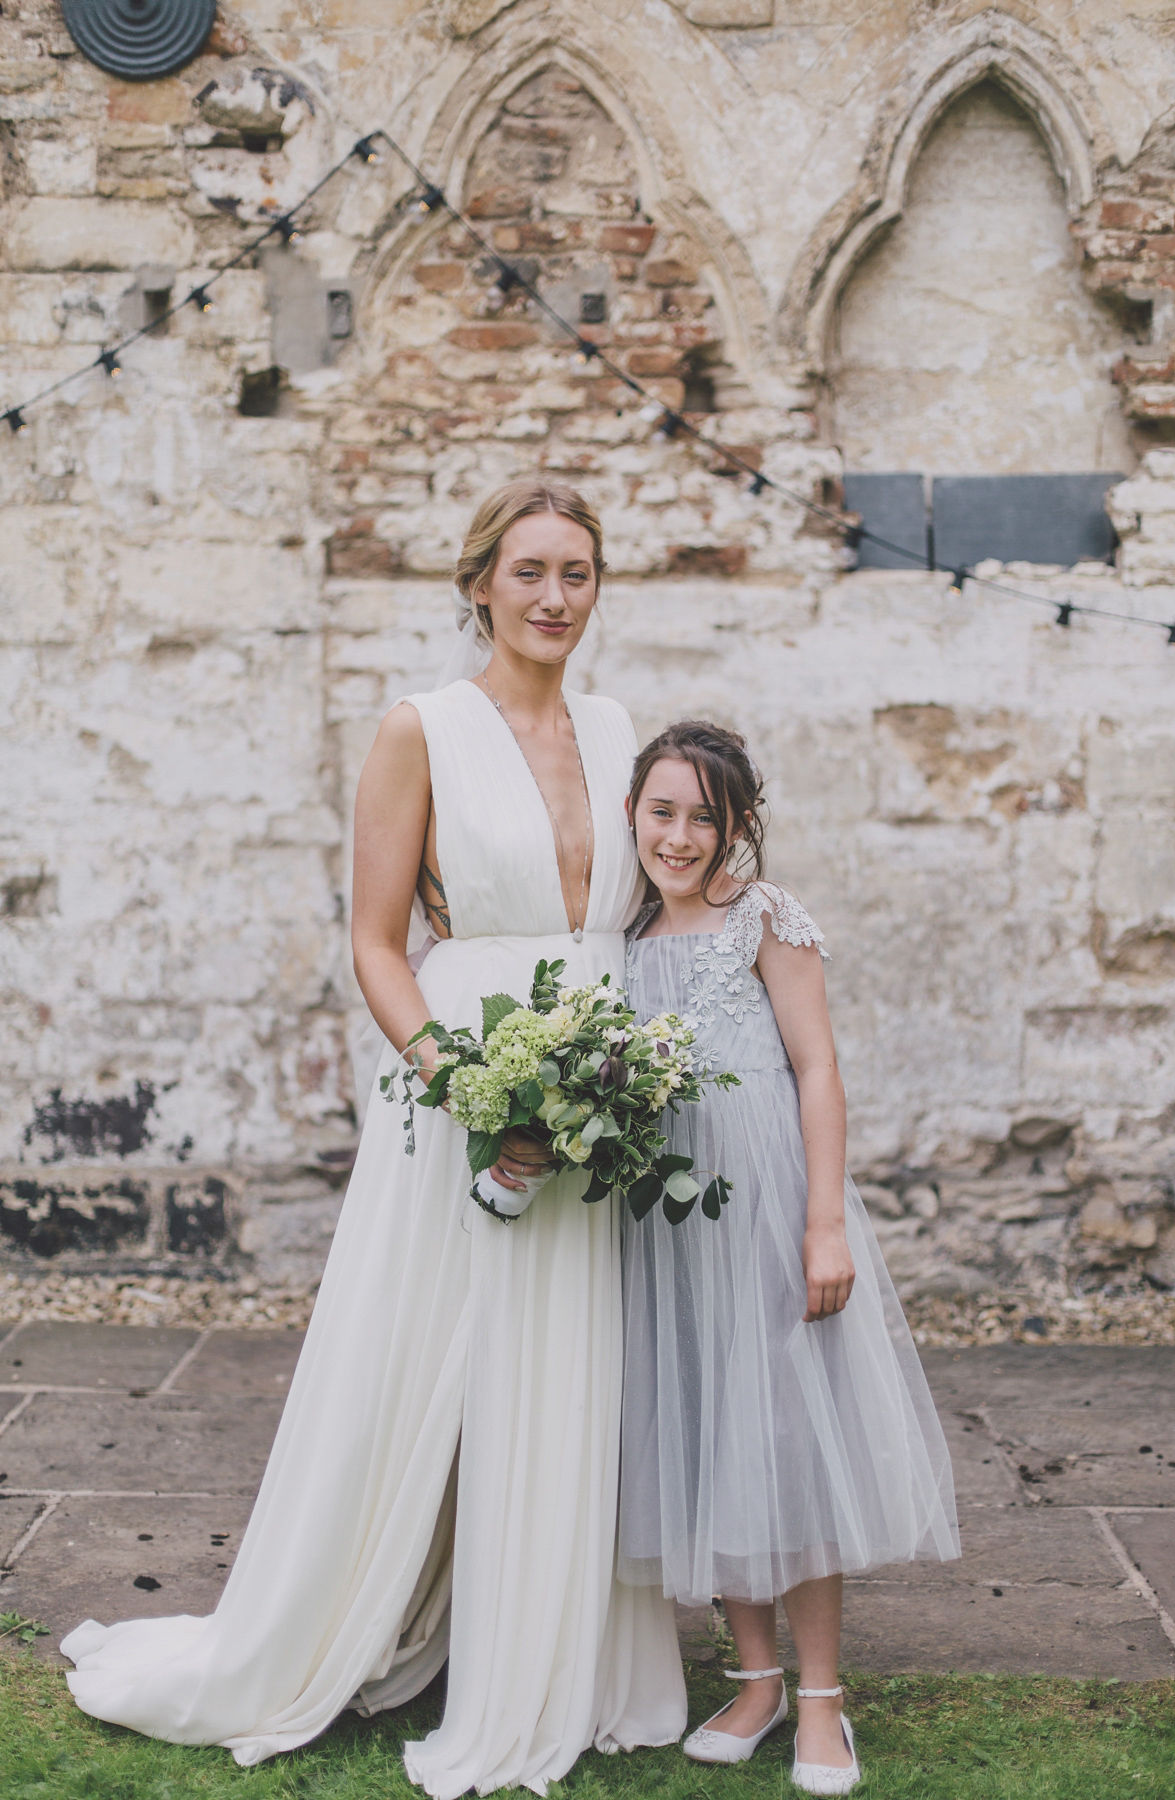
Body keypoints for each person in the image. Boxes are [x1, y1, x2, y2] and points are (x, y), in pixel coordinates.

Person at [62, 480, 686, 1797]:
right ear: (480, 585)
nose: (555, 596)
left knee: (572, 1362)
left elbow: (647, 914)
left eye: (578, 572)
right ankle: (334, 1626)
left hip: (598, 1090)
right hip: (467, 1079)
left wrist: (643, 1061)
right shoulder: (423, 731)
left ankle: (549, 1654)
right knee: (421, 1360)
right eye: (529, 571)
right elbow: (375, 941)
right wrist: (461, 1078)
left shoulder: (621, 727)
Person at [619, 719, 960, 1796]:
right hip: (666, 1221)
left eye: (703, 818)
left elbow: (817, 1070)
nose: (679, 838)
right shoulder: (618, 937)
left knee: (787, 1441)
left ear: (738, 826)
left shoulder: (763, 919)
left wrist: (824, 1223)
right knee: (715, 1436)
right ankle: (755, 1679)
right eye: (661, 812)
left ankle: (822, 1701)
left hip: (764, 1204)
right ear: (633, 812)